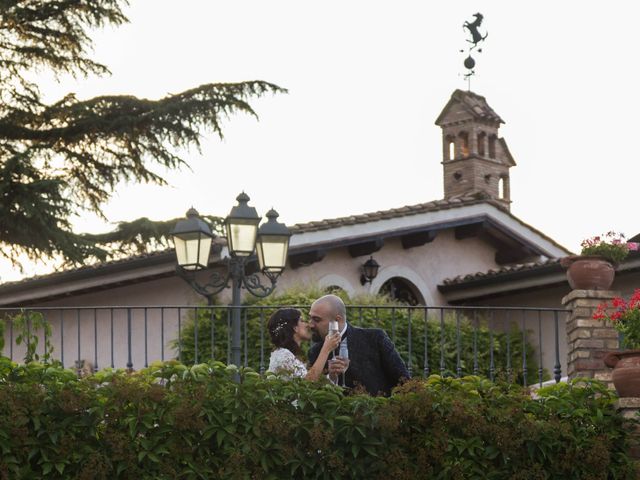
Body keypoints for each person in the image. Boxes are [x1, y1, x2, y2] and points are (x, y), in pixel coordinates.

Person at [308, 294, 410, 396]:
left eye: (317, 320)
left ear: (337, 320)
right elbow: (312, 392)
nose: (310, 325)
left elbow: (404, 380)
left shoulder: (374, 338)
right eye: (310, 318)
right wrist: (331, 377)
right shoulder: (316, 351)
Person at [267, 307, 341, 380]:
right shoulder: (283, 355)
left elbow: (305, 382)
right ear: (294, 328)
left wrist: (332, 373)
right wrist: (326, 349)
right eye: (302, 321)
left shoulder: (288, 354)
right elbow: (308, 382)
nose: (308, 325)